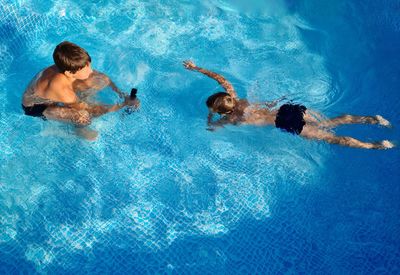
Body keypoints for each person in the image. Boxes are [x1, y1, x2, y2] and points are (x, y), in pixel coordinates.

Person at [183, 60, 394, 150]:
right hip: (286, 109)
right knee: (330, 122)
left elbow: (213, 128)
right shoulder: (235, 96)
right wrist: (196, 68)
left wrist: (210, 118)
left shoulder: (232, 119)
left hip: (284, 122)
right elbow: (220, 78)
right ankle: (372, 119)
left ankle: (374, 146)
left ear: (222, 111)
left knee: (333, 137)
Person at [22, 41, 138, 140]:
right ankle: (79, 130)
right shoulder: (64, 91)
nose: (91, 71)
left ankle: (78, 102)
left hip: (54, 91)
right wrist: (122, 105)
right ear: (69, 72)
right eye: (86, 69)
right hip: (37, 106)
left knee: (100, 79)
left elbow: (103, 78)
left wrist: (123, 95)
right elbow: (91, 110)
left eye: (89, 65)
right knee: (82, 116)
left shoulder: (66, 68)